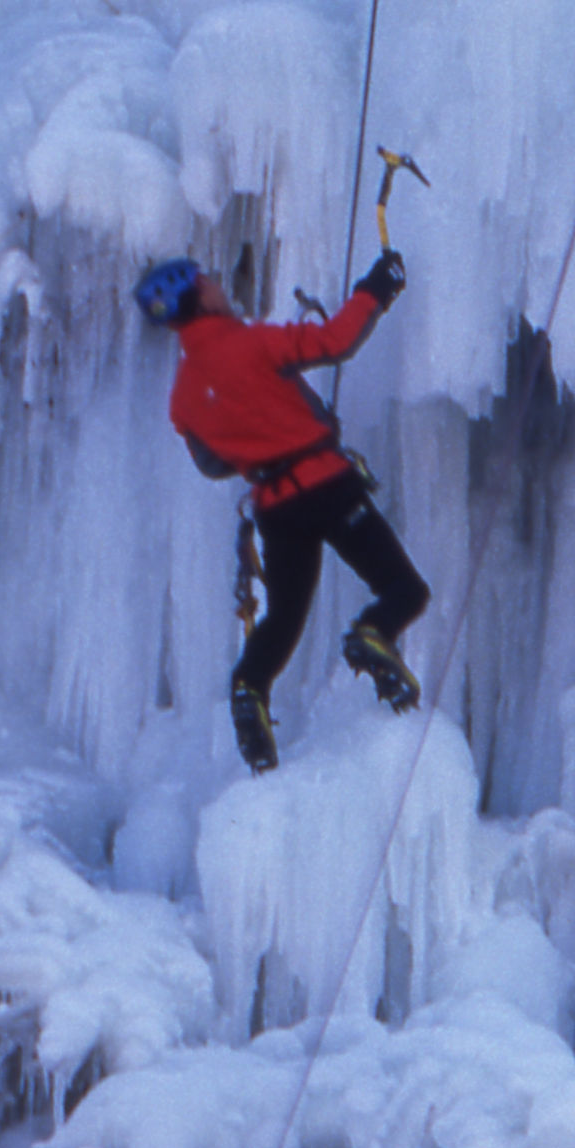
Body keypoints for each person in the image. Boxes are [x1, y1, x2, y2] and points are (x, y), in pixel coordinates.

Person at [138, 245, 430, 769]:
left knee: (284, 620)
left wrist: (255, 435)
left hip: (276, 508)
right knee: (404, 590)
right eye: (211, 280)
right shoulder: (252, 343)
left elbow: (212, 464)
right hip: (328, 486)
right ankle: (373, 633)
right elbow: (336, 341)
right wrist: (376, 288)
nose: (220, 285)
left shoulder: (182, 397)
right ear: (200, 295)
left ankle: (249, 686)